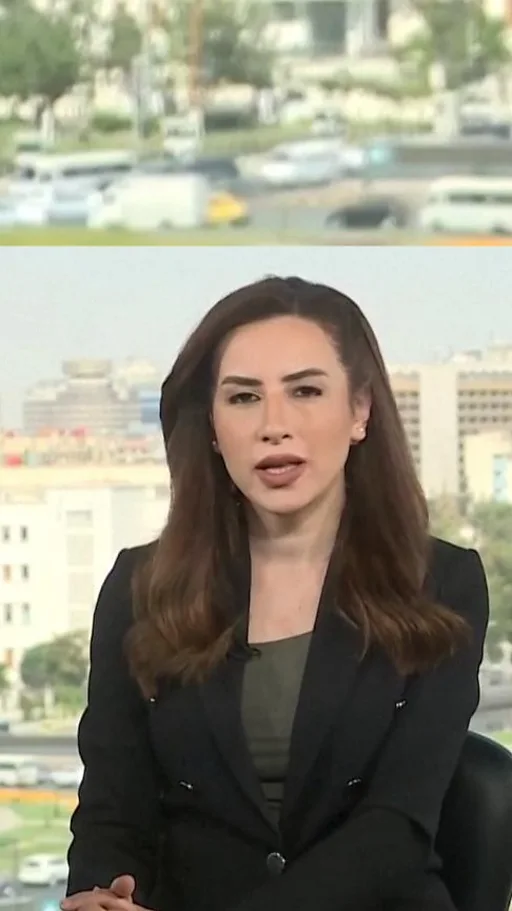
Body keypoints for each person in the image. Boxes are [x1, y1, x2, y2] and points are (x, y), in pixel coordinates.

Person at [62, 275, 489, 911]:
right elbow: (112, 809)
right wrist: (101, 892)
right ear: (212, 426)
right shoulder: (139, 588)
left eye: (305, 391)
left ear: (360, 411)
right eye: (243, 398)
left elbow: (395, 829)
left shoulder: (442, 583)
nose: (274, 426)